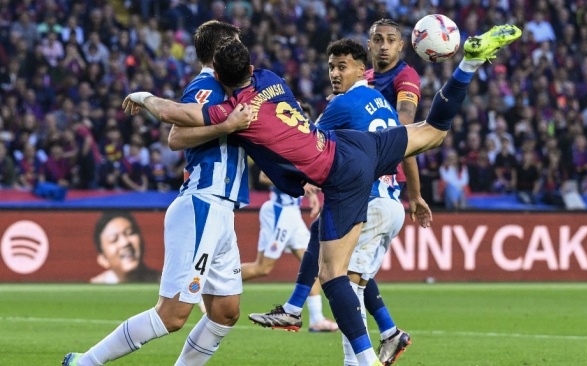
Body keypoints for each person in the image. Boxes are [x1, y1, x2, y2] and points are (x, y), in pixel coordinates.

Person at [122, 25, 522, 366]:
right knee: (434, 131)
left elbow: (178, 116)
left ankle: (361, 358)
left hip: (340, 174)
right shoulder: (270, 78)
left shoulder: (239, 111)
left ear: (224, 83)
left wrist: (143, 98)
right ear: (249, 65)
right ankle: (469, 64)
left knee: (333, 276)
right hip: (357, 146)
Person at [63, 20, 252, 366]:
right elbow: (176, 137)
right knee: (172, 315)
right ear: (221, 48)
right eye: (237, 44)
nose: (243, 50)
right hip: (203, 203)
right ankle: (85, 362)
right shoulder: (206, 87)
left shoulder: (234, 87)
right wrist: (226, 126)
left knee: (226, 312)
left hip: (224, 211)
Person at [248, 18, 427, 365]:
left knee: (343, 286)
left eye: (341, 67)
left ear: (362, 70)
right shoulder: (378, 99)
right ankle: (374, 329)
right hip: (389, 202)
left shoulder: (347, 103)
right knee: (327, 245)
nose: (333, 73)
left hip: (369, 201)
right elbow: (408, 145)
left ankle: (359, 359)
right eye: (331, 67)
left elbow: (303, 144)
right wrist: (415, 195)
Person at [240, 170, 339, 332]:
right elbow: (264, 176)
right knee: (262, 268)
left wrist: (310, 195)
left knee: (314, 264)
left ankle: (317, 319)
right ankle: (215, 284)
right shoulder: (281, 149)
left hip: (293, 214)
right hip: (279, 212)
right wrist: (300, 185)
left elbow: (298, 178)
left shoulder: (300, 149)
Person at [90, 211, 161, 284]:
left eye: (130, 233)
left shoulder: (164, 285)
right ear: (103, 259)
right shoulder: (96, 288)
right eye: (114, 239)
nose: (125, 242)